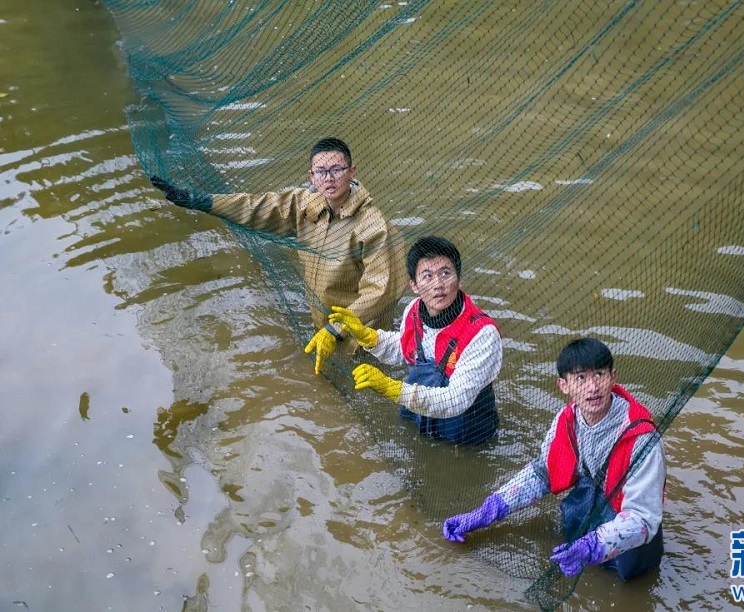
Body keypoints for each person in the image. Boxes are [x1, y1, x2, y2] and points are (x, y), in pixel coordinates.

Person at [148, 137, 407, 374]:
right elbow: (257, 208)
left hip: (360, 337)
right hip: (323, 325)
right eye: (321, 171)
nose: (329, 178)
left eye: (337, 170)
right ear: (312, 176)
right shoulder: (306, 205)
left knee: (366, 383)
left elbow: (379, 291)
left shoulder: (372, 227)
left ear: (352, 172)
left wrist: (336, 330)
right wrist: (202, 202)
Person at [442, 338, 665, 580]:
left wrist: (594, 546)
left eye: (599, 374)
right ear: (564, 385)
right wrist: (488, 510)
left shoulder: (643, 438)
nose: (592, 387)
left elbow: (643, 517)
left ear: (613, 377)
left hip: (631, 534)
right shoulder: (566, 420)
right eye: (580, 378)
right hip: (592, 507)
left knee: (631, 583)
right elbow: (543, 473)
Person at [327, 236, 501, 445]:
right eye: (427, 276)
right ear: (414, 286)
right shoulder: (413, 311)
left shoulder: (483, 334)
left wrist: (393, 388)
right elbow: (407, 347)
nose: (438, 285)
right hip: (420, 413)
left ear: (460, 279)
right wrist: (370, 337)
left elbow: (456, 400)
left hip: (466, 433)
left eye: (445, 273)